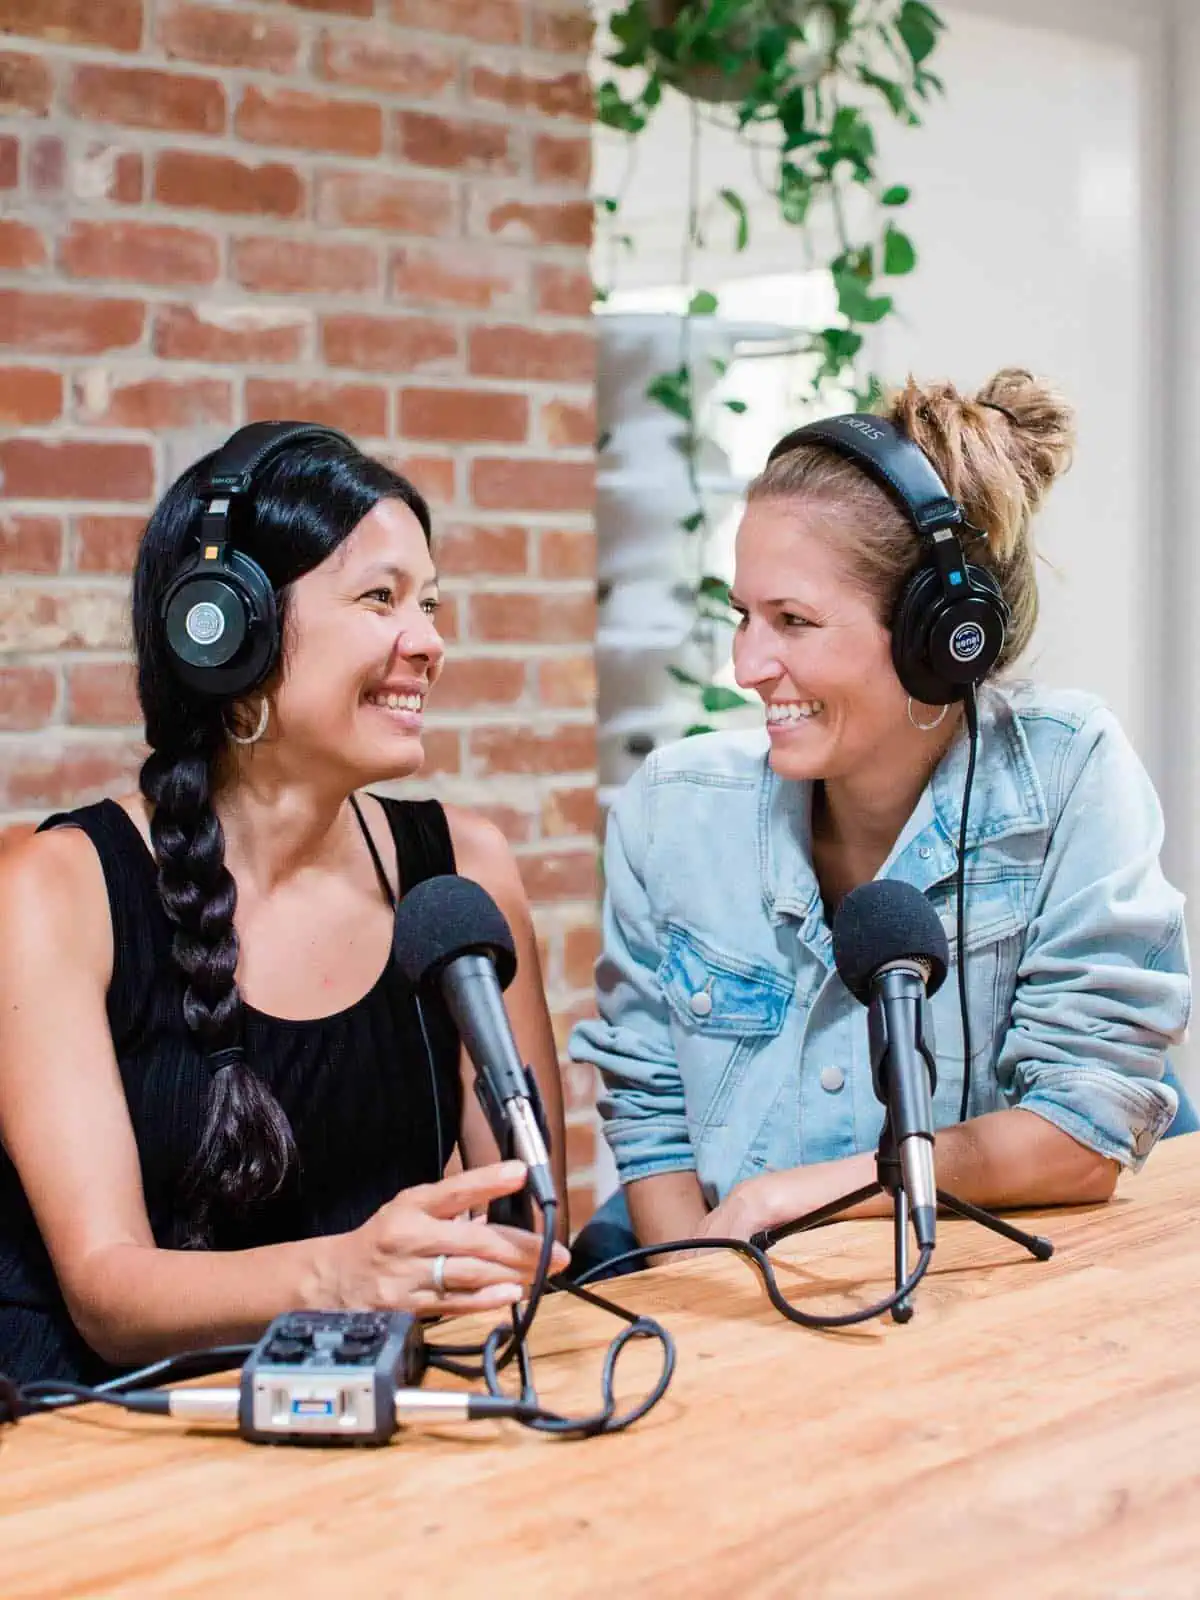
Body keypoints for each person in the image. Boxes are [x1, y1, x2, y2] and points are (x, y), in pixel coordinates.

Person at [570, 370, 1192, 1257]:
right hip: (740, 1308)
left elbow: (1086, 1127)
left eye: (792, 620)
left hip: (987, 1305)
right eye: (741, 615)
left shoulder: (1068, 773)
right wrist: (700, 1305)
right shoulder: (672, 813)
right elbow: (655, 1121)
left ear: (935, 634)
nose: (748, 663)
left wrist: (825, 1192)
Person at [0, 421, 569, 1387]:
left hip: (370, 1421)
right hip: (96, 1438)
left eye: (430, 603)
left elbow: (530, 1225)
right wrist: (341, 1272)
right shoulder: (54, 891)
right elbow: (107, 1294)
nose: (428, 641)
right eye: (379, 598)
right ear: (229, 630)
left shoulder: (460, 875)